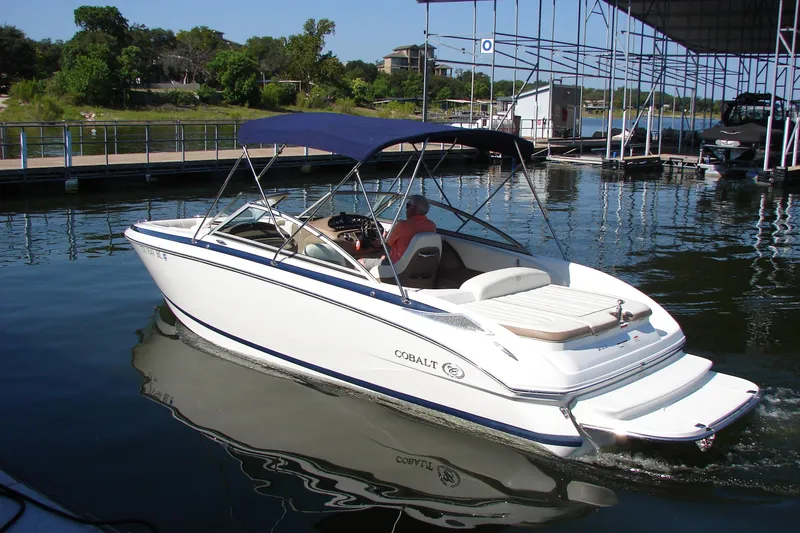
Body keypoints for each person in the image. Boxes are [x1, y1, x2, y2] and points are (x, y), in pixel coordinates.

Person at [359, 194, 436, 270]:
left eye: (407, 205)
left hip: (397, 266)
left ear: (413, 208)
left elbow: (387, 242)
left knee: (360, 262)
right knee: (383, 257)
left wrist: (384, 235)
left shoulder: (402, 225)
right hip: (418, 265)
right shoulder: (432, 226)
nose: (406, 209)